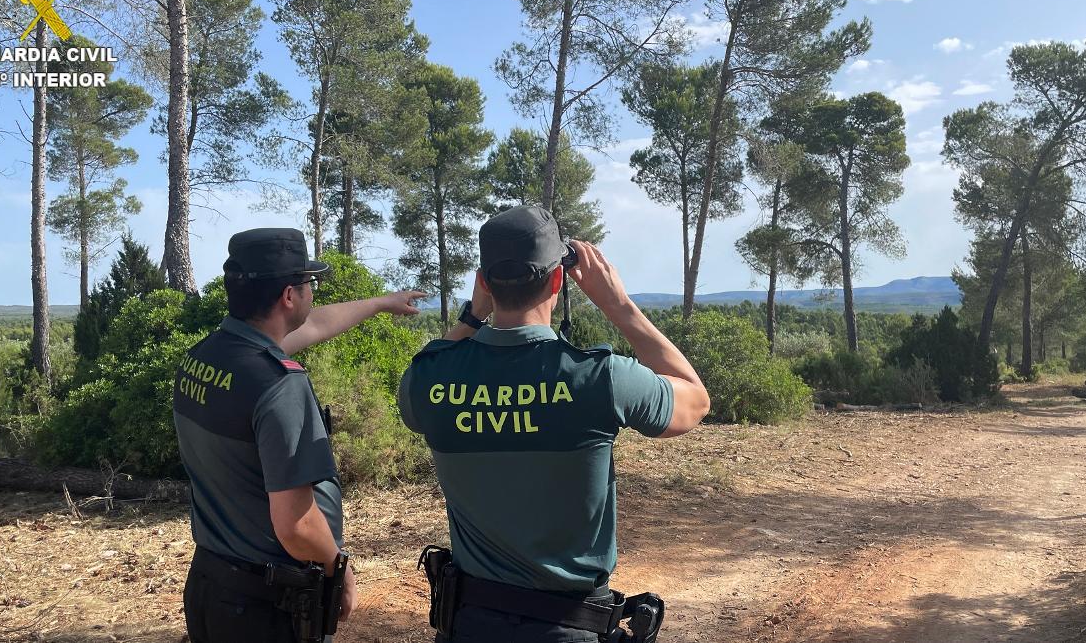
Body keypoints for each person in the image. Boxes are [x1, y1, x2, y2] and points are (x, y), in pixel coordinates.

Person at [398, 205, 710, 642]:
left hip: (469, 625)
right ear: (558, 279)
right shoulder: (600, 377)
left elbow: (424, 369)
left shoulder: (428, 380)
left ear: (484, 283)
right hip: (568, 629)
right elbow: (694, 401)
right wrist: (618, 306)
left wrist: (471, 318)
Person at [174, 227, 426, 643]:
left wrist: (381, 303)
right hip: (268, 606)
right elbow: (295, 524)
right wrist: (337, 568)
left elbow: (315, 325)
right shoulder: (278, 385)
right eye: (310, 283)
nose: (315, 293)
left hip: (212, 583)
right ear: (289, 297)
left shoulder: (207, 355)